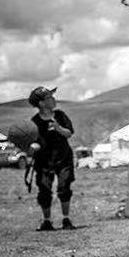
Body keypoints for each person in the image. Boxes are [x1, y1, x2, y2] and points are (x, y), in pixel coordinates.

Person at [28, 86, 76, 231]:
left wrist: (58, 128)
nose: (53, 99)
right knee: (44, 189)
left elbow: (69, 133)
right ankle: (47, 221)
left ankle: (66, 219)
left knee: (64, 187)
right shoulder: (34, 122)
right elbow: (33, 141)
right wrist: (33, 146)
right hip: (44, 161)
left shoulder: (60, 116)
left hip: (63, 158)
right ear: (41, 103)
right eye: (49, 97)